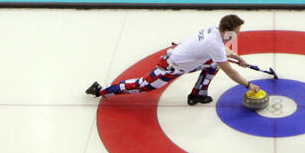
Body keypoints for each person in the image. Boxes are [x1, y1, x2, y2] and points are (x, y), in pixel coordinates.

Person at [86, 15, 256, 104]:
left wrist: (236, 57)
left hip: (184, 62)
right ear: (226, 31)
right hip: (170, 67)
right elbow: (230, 72)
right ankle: (102, 90)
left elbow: (221, 51)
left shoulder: (214, 30)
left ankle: (198, 94)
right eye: (237, 31)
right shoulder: (214, 44)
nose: (239, 34)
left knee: (213, 63)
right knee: (143, 86)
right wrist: (248, 85)